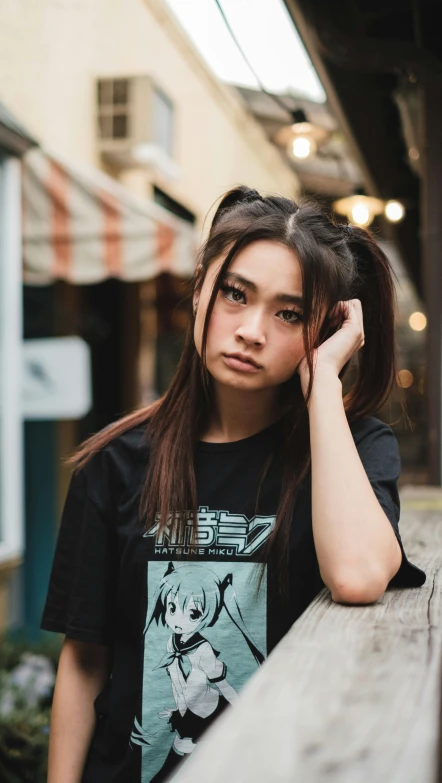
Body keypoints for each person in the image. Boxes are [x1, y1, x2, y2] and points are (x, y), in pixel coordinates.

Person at [42, 188, 426, 783]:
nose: (251, 331)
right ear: (200, 291)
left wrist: (323, 382)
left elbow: (356, 575)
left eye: (289, 314)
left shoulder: (352, 449)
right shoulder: (115, 464)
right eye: (235, 294)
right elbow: (86, 659)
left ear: (322, 329)